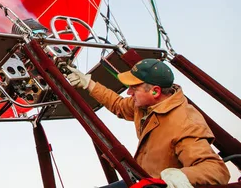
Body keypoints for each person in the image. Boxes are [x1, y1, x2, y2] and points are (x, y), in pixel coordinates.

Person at [66, 59, 230, 187]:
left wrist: (181, 175)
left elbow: (216, 170)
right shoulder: (145, 105)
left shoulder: (184, 123)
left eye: (134, 88)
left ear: (155, 91)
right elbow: (118, 105)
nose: (129, 92)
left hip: (159, 184)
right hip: (143, 179)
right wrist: (89, 84)